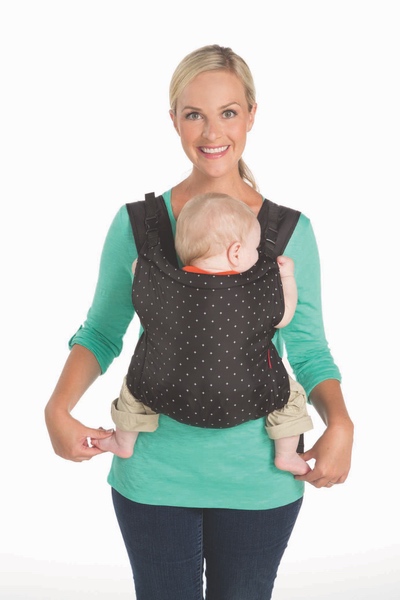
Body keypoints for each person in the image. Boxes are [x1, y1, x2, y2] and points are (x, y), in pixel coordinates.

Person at [45, 45, 354, 600]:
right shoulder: (139, 226)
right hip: (152, 476)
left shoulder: (287, 233)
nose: (212, 132)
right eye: (194, 114)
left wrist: (342, 424)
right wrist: (56, 407)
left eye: (228, 112)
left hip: (261, 478)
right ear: (174, 120)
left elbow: (309, 350)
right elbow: (101, 332)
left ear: (252, 114)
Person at [93, 192, 313, 477]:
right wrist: (286, 277)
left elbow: (138, 275)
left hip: (164, 389)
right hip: (248, 392)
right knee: (290, 397)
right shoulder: (259, 291)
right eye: (255, 249)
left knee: (135, 390)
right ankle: (286, 454)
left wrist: (142, 269)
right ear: (236, 252)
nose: (259, 256)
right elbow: (285, 316)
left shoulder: (158, 283)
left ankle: (123, 442)